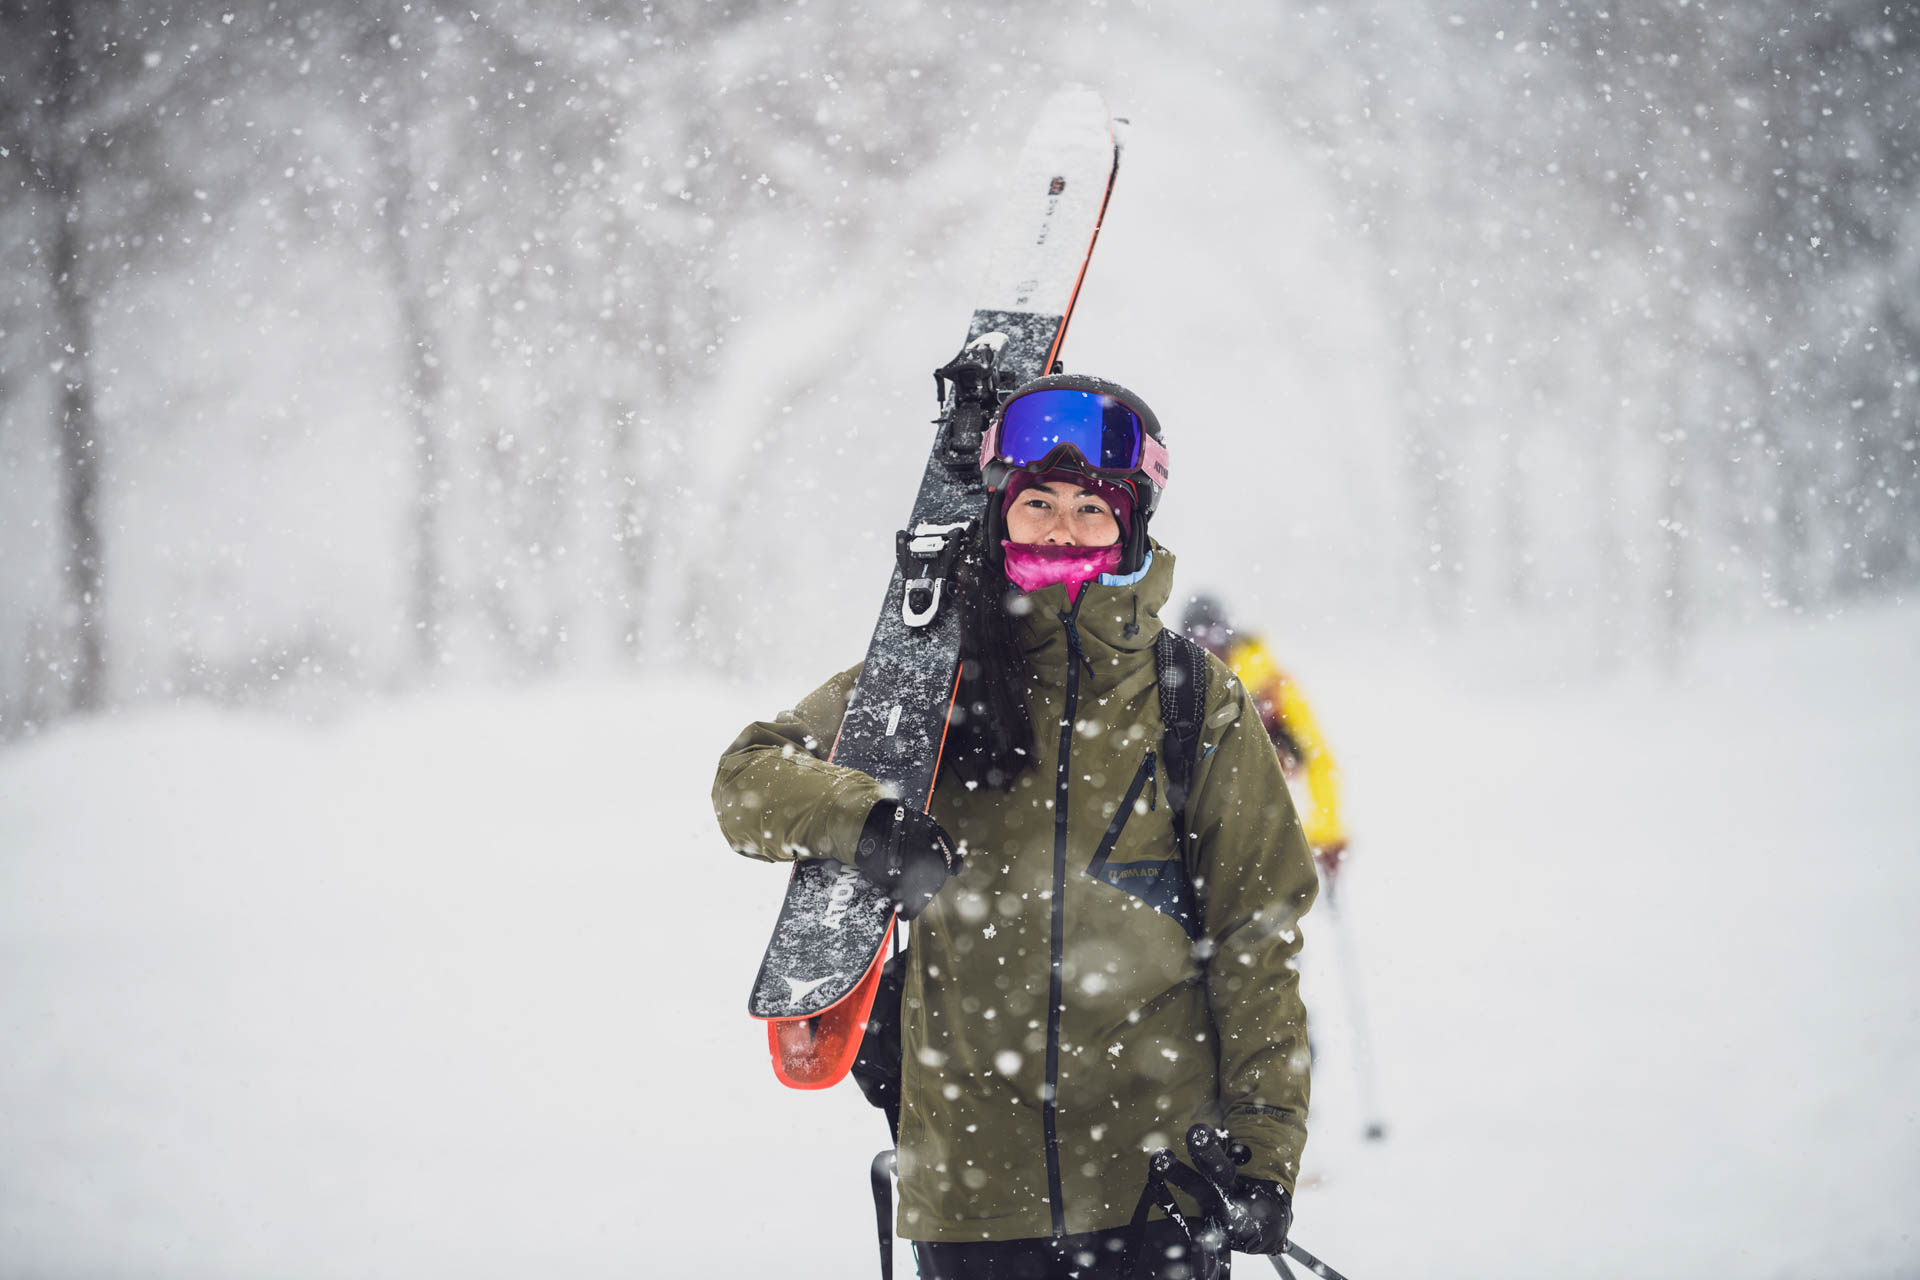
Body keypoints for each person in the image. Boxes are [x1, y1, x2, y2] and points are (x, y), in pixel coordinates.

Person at [712, 374, 1318, 1279]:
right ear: (1000, 515)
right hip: (969, 1195)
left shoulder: (1193, 698)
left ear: (1133, 527)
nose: (1063, 530)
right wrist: (863, 823)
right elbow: (747, 779)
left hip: (1158, 1185)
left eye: (1090, 509)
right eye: (1037, 503)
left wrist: (1262, 1156)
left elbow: (1255, 938)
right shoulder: (928, 679)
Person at [1180, 596, 1348, 888]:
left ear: (1228, 637)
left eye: (1213, 637)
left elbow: (1320, 760)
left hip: (1271, 834)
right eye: (1195, 638)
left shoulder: (1274, 689)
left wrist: (1326, 835)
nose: (1207, 648)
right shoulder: (1174, 687)